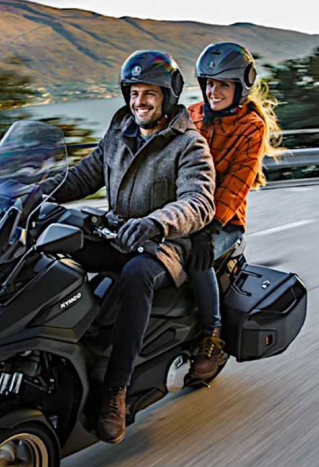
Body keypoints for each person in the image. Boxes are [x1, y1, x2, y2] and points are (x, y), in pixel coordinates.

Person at [44, 50, 215, 443]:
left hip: (164, 246)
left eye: (149, 93)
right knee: (52, 239)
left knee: (136, 276)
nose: (140, 101)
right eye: (134, 93)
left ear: (167, 96)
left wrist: (156, 223)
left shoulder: (189, 145)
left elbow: (198, 201)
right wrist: (32, 194)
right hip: (117, 234)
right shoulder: (119, 132)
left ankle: (115, 392)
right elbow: (83, 177)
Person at [186, 42, 282, 379]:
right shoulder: (191, 115)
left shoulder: (251, 126)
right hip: (184, 211)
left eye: (223, 85)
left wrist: (210, 227)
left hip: (224, 220)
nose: (213, 92)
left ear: (240, 86)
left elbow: (237, 184)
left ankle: (212, 336)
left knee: (197, 258)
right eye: (209, 83)